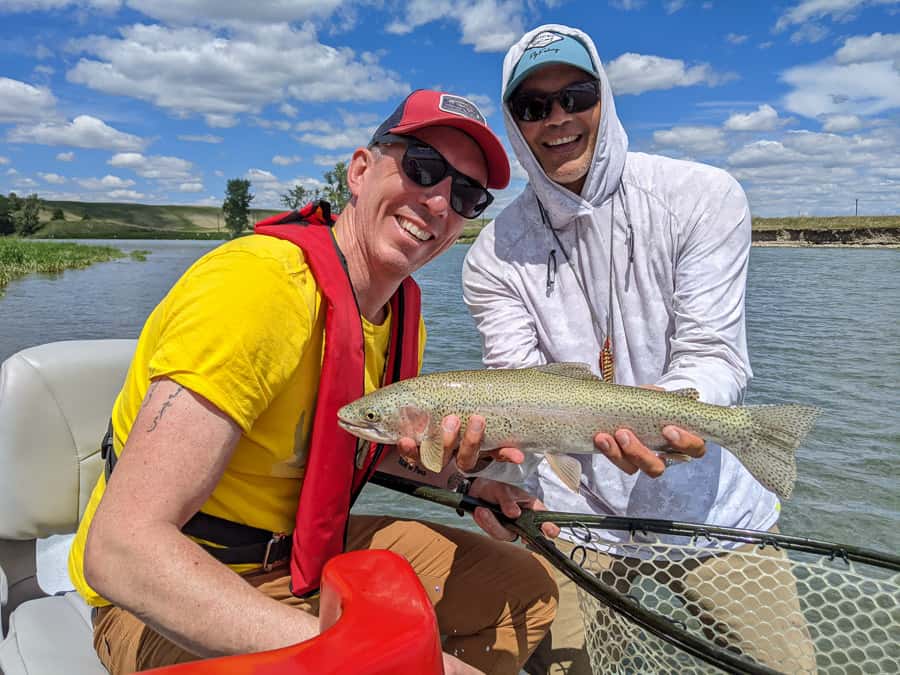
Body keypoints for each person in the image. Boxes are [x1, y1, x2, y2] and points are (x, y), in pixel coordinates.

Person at [67, 89, 558, 675]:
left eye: (468, 195)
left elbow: (350, 447)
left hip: (308, 552)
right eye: (423, 167)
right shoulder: (256, 291)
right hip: (169, 588)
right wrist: (348, 655)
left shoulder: (400, 314)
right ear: (359, 170)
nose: (438, 202)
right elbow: (120, 552)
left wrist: (470, 482)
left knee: (524, 591)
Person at [462, 25, 815, 674]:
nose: (558, 118)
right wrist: (496, 469)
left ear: (607, 96)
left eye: (576, 94)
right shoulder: (492, 254)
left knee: (785, 666)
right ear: (514, 123)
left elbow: (714, 353)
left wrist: (682, 411)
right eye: (533, 107)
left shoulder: (703, 197)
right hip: (574, 519)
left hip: (710, 508)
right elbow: (517, 388)